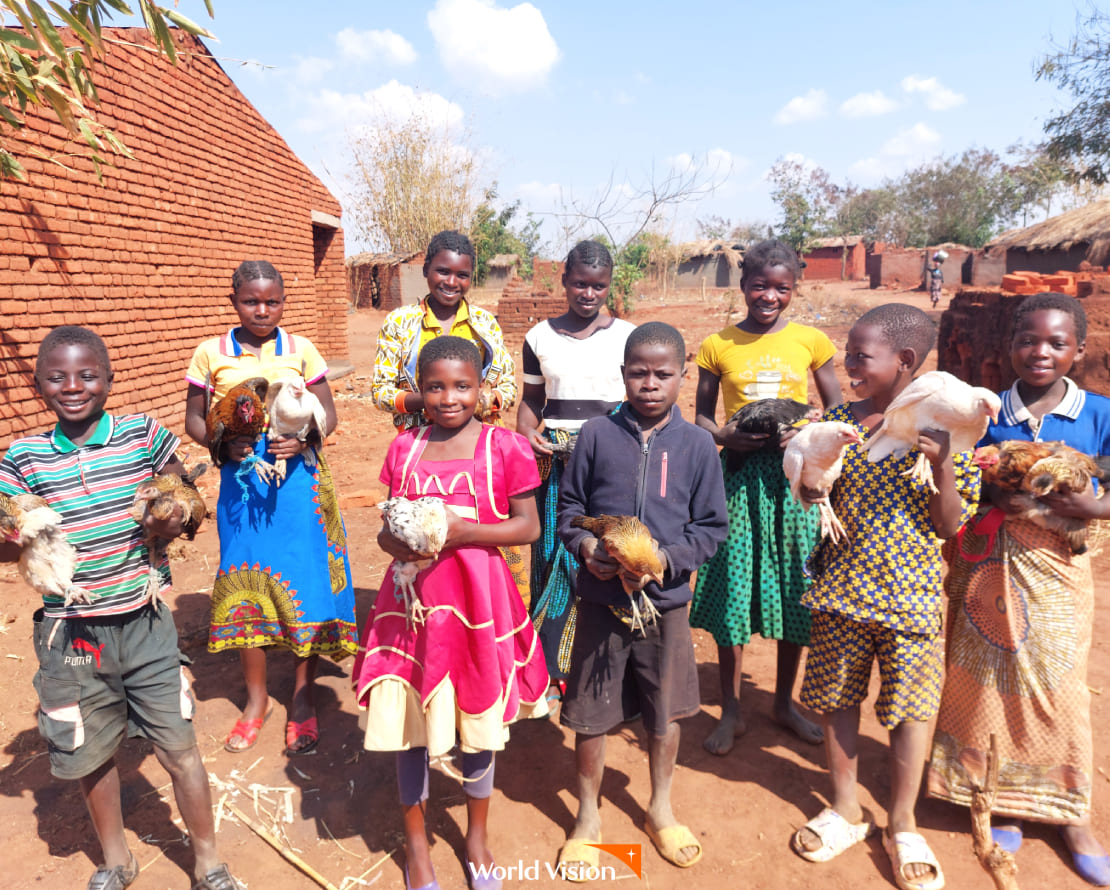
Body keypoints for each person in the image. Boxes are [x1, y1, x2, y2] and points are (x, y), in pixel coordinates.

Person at [0, 326, 240, 890]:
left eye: (87, 375)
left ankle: (208, 862)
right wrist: (11, 533)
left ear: (108, 379)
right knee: (91, 754)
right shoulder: (23, 458)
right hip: (72, 633)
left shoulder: (140, 435)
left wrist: (175, 512)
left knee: (179, 746)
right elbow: (6, 537)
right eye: (57, 377)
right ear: (39, 386)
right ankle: (116, 860)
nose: (73, 386)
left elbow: (185, 491)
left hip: (145, 620)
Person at [791, 304, 979, 890]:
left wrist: (943, 465)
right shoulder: (844, 420)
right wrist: (810, 472)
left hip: (913, 600)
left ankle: (903, 823)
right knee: (835, 699)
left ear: (903, 361)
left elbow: (950, 526)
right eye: (847, 353)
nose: (847, 364)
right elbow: (809, 490)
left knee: (911, 713)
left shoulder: (949, 428)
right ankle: (846, 807)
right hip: (842, 592)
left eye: (859, 355)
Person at [353, 336, 549, 890]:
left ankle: (476, 837)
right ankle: (417, 848)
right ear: (418, 391)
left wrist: (463, 533)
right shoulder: (405, 448)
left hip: (479, 603)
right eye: (434, 386)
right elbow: (387, 527)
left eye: (462, 385)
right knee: (410, 725)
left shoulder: (505, 447)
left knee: (478, 723)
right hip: (412, 607)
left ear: (481, 388)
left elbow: (528, 528)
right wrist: (398, 546)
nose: (448, 397)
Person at [927, 293, 1110, 886]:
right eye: (1028, 340)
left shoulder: (1100, 414)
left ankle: (1071, 812)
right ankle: (1001, 798)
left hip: (1058, 567)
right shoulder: (985, 413)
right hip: (986, 561)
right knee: (988, 683)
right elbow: (952, 484)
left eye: (1057, 343)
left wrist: (1093, 506)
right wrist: (991, 496)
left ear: (1078, 351)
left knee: (1058, 684)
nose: (1040, 352)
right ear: (1008, 347)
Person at [555, 322, 728, 877]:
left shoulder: (699, 445)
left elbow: (711, 528)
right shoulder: (595, 436)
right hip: (602, 598)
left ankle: (660, 806)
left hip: (666, 602)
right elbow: (569, 510)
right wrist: (587, 548)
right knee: (589, 714)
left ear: (683, 374)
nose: (649, 383)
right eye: (638, 372)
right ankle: (586, 815)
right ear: (623, 373)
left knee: (665, 710)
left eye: (663, 374)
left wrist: (666, 562)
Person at [183, 261, 356, 756]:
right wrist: (223, 447)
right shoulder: (209, 354)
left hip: (301, 484)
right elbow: (195, 418)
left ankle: (302, 698)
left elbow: (330, 414)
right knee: (244, 583)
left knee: (304, 583)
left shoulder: (301, 350)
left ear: (284, 301)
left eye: (273, 301)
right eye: (251, 301)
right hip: (243, 488)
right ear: (234, 299)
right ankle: (256, 701)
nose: (263, 310)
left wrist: (303, 437)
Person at [689, 238, 842, 754]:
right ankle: (731, 710)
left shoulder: (811, 342)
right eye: (759, 285)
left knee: (798, 585)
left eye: (781, 287)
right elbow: (702, 418)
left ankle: (782, 702)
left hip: (793, 480)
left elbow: (835, 407)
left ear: (794, 289)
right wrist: (726, 437)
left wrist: (812, 429)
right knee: (734, 584)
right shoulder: (718, 345)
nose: (769, 296)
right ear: (743, 286)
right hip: (737, 478)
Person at [516, 240, 635, 687]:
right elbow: (531, 401)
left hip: (610, 460)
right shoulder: (539, 338)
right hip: (556, 466)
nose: (589, 294)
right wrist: (526, 434)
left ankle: (608, 665)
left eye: (599, 286)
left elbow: (638, 400)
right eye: (581, 284)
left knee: (609, 553)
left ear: (609, 286)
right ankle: (551, 666)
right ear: (564, 280)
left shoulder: (627, 336)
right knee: (554, 556)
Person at [371, 230, 516, 434]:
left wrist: (482, 400)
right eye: (443, 271)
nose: (451, 282)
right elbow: (381, 394)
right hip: (421, 438)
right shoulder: (399, 323)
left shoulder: (485, 323)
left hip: (479, 439)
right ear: (425, 270)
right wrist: (431, 400)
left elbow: (509, 388)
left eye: (462, 275)